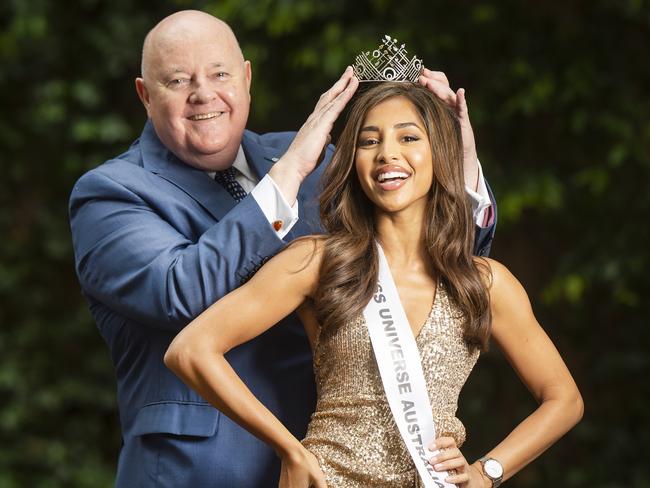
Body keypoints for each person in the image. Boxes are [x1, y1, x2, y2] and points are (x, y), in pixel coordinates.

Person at [68, 10, 495, 488]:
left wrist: (458, 150)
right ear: (146, 94)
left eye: (220, 74)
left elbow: (434, 259)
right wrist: (287, 175)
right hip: (205, 471)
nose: (203, 93)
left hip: (337, 466)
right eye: (178, 80)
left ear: (247, 78)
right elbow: (180, 292)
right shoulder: (110, 192)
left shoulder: (318, 162)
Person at [165, 82, 583, 488]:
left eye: (408, 137)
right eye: (369, 142)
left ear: (440, 153)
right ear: (352, 161)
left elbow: (564, 399)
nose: (387, 154)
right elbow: (190, 350)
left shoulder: (485, 283)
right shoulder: (318, 261)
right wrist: (289, 449)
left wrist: (487, 471)